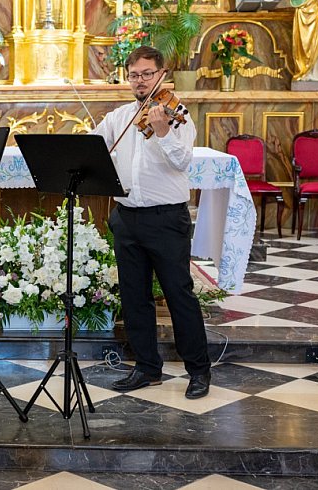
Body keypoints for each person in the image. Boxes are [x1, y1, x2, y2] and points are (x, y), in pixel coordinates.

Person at [91, 45, 211, 400]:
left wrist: (163, 133)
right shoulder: (119, 117)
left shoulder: (177, 115)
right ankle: (146, 367)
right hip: (126, 217)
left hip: (166, 219)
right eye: (134, 75)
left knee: (179, 295)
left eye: (147, 74)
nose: (140, 81)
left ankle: (199, 370)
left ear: (161, 75)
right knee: (134, 297)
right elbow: (93, 147)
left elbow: (182, 162)